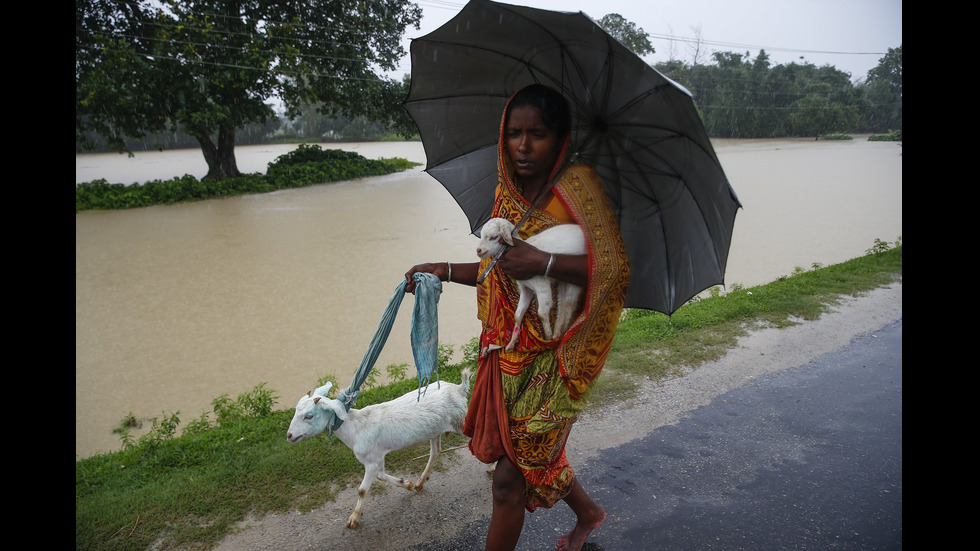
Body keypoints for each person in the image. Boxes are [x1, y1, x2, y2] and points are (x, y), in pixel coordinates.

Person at [405, 84, 630, 551]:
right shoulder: (507, 192)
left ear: (561, 137)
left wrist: (543, 262)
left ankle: (585, 513)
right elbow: (498, 270)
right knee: (530, 455)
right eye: (514, 133)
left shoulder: (579, 188)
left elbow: (613, 270)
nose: (523, 146)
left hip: (560, 359)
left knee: (509, 480)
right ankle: (588, 513)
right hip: (509, 354)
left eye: (538, 134)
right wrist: (441, 270)